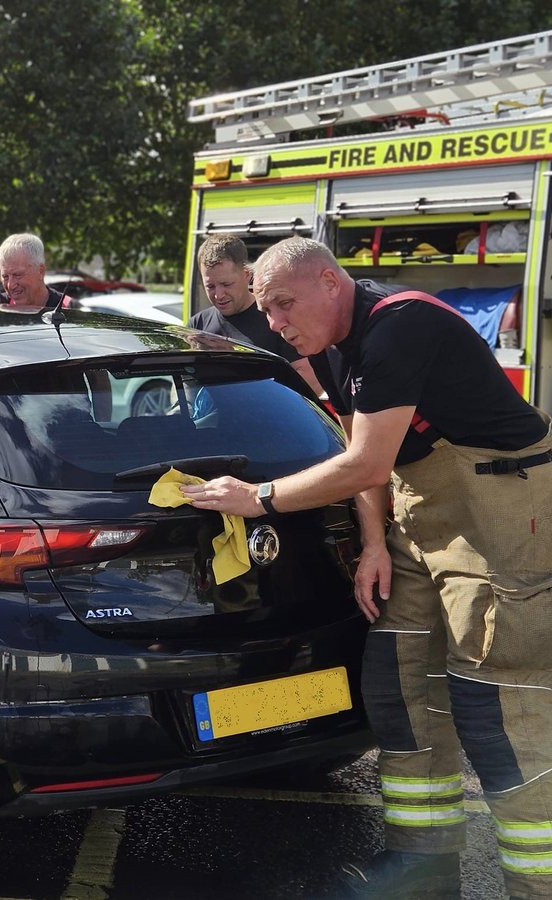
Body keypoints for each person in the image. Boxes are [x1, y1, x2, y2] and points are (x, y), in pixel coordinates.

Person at [182, 236, 552, 900]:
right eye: (267, 312)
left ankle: (536, 881)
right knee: (398, 679)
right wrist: (375, 544)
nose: (275, 324)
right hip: (425, 515)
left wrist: (258, 499)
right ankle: (424, 865)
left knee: (496, 702)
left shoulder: (398, 329)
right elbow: (365, 448)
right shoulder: (331, 346)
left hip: (502, 512)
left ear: (330, 282)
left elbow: (364, 465)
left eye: (284, 305)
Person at [190, 233, 324, 396]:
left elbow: (311, 379)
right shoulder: (197, 325)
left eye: (226, 284)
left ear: (247, 275)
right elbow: (186, 383)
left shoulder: (277, 318)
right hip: (211, 421)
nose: (219, 295)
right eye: (210, 286)